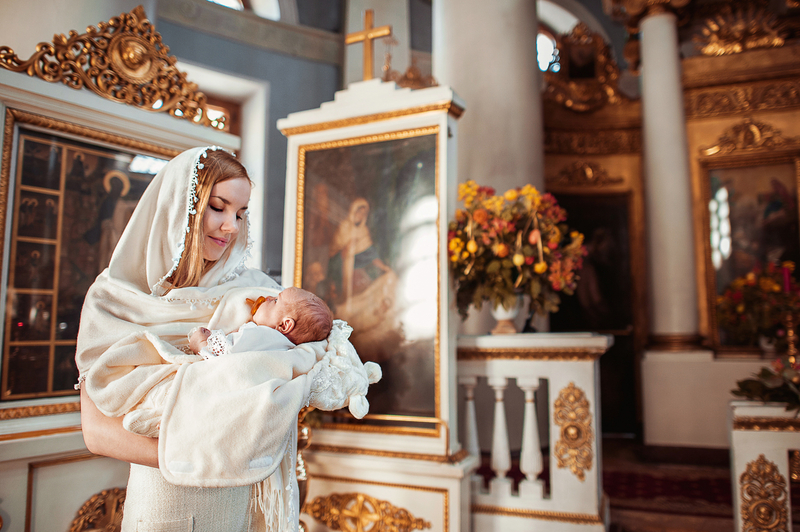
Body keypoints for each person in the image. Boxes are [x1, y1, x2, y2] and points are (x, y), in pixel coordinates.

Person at [75, 147, 374, 532]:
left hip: (249, 498)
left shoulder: (259, 293)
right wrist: (219, 454)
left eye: (240, 213)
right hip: (167, 500)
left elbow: (322, 356)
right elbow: (98, 435)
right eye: (218, 207)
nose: (231, 226)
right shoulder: (113, 301)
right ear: (178, 208)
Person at [189, 287, 333, 358]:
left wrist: (201, 343)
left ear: (284, 325)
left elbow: (222, 355)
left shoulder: (261, 335)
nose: (268, 297)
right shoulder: (282, 346)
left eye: (275, 300)